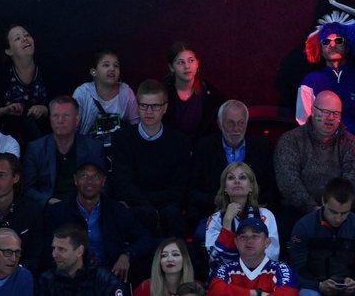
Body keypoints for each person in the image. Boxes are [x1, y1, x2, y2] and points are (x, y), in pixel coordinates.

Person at [43, 155, 154, 283]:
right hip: (71, 278)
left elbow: (145, 238)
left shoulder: (116, 210)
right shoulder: (58, 212)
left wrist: (127, 255)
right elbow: (47, 253)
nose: (89, 181)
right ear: (75, 180)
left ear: (103, 181)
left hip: (109, 276)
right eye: (84, 175)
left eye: (95, 176)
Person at [110, 79, 191, 237]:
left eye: (155, 106)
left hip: (169, 206)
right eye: (144, 105)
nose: (149, 111)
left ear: (165, 108)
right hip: (135, 205)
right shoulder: (122, 138)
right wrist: (148, 206)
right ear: (137, 106)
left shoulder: (180, 142)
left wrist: (156, 206)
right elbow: (122, 184)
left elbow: (179, 187)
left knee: (172, 215)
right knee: (141, 215)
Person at [189, 100, 277, 232]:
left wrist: (249, 204)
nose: (236, 129)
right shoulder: (203, 148)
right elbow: (192, 191)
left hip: (254, 213)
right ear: (219, 124)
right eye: (230, 123)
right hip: (213, 213)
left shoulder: (262, 146)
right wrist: (221, 202)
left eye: (241, 123)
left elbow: (272, 188)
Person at [274, 90, 355, 216]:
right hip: (298, 212)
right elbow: (288, 182)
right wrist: (313, 209)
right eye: (325, 112)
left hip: (340, 213)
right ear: (313, 111)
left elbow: (353, 181)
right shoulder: (290, 140)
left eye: (336, 113)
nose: (331, 118)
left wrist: (333, 210)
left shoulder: (350, 142)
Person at [290, 177, 355, 296]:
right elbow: (298, 269)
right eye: (333, 212)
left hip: (350, 287)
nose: (338, 218)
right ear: (324, 201)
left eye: (344, 213)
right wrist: (318, 285)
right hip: (314, 286)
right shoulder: (304, 227)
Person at [22, 96, 105, 207]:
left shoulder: (93, 147)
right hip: (49, 209)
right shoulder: (36, 148)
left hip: (84, 207)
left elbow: (103, 186)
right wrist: (49, 201)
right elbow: (28, 189)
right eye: (55, 116)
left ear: (76, 120)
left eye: (66, 116)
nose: (60, 121)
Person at [295, 15, 355, 135]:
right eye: (326, 42)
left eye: (338, 40)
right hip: (324, 146)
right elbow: (304, 121)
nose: (332, 45)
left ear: (347, 46)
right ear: (320, 49)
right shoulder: (311, 81)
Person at [205, 162, 280, 266]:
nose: (237, 181)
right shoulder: (215, 219)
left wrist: (245, 269)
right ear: (225, 188)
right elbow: (214, 259)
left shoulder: (266, 215)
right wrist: (227, 222)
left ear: (251, 187)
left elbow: (272, 253)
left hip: (259, 274)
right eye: (231, 178)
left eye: (242, 177)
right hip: (225, 276)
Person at [208, 217, 298, 296]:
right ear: (236, 242)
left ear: (267, 242)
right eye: (243, 237)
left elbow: (288, 294)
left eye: (255, 236)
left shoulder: (281, 269)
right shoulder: (224, 269)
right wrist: (256, 294)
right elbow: (215, 291)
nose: (249, 241)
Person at [35, 224, 126, 296]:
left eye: (61, 249)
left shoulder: (106, 281)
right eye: (53, 248)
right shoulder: (47, 279)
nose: (54, 254)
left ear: (79, 251)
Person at [71, 49, 138, 147]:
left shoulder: (126, 92)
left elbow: (135, 124)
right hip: (88, 150)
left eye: (116, 66)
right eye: (106, 65)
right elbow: (72, 127)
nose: (112, 69)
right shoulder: (82, 93)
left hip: (118, 149)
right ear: (94, 72)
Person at [0, 24, 50, 140]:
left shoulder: (47, 71)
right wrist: (6, 110)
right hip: (10, 135)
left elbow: (61, 103)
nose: (25, 39)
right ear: (9, 51)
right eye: (18, 38)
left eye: (27, 35)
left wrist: (45, 109)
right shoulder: (1, 76)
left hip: (44, 133)